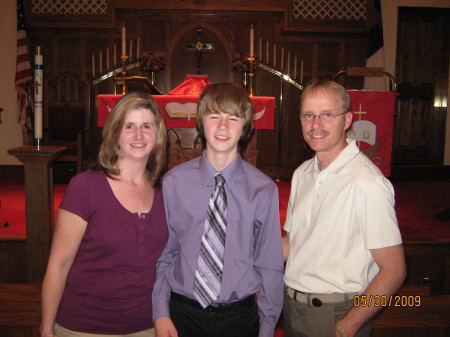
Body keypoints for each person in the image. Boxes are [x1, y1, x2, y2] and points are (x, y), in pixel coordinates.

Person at [153, 82, 284, 337]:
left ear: (245, 126)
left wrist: (267, 328)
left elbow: (269, 266)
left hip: (237, 316)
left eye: (233, 118)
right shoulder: (174, 183)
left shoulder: (263, 190)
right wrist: (160, 312)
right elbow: (165, 254)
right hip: (182, 312)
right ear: (201, 122)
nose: (223, 126)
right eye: (214, 116)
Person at [282, 79, 407, 337]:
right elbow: (292, 244)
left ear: (348, 120)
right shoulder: (302, 173)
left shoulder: (367, 182)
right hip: (293, 309)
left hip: (336, 313)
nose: (316, 125)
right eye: (308, 115)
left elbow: (394, 270)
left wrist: (347, 327)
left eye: (327, 115)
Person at [40, 92, 169, 337]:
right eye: (129, 126)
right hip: (84, 325)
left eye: (146, 126)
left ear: (158, 134)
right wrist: (47, 327)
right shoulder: (85, 187)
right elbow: (59, 264)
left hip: (146, 325)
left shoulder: (165, 190)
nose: (139, 135)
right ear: (115, 133)